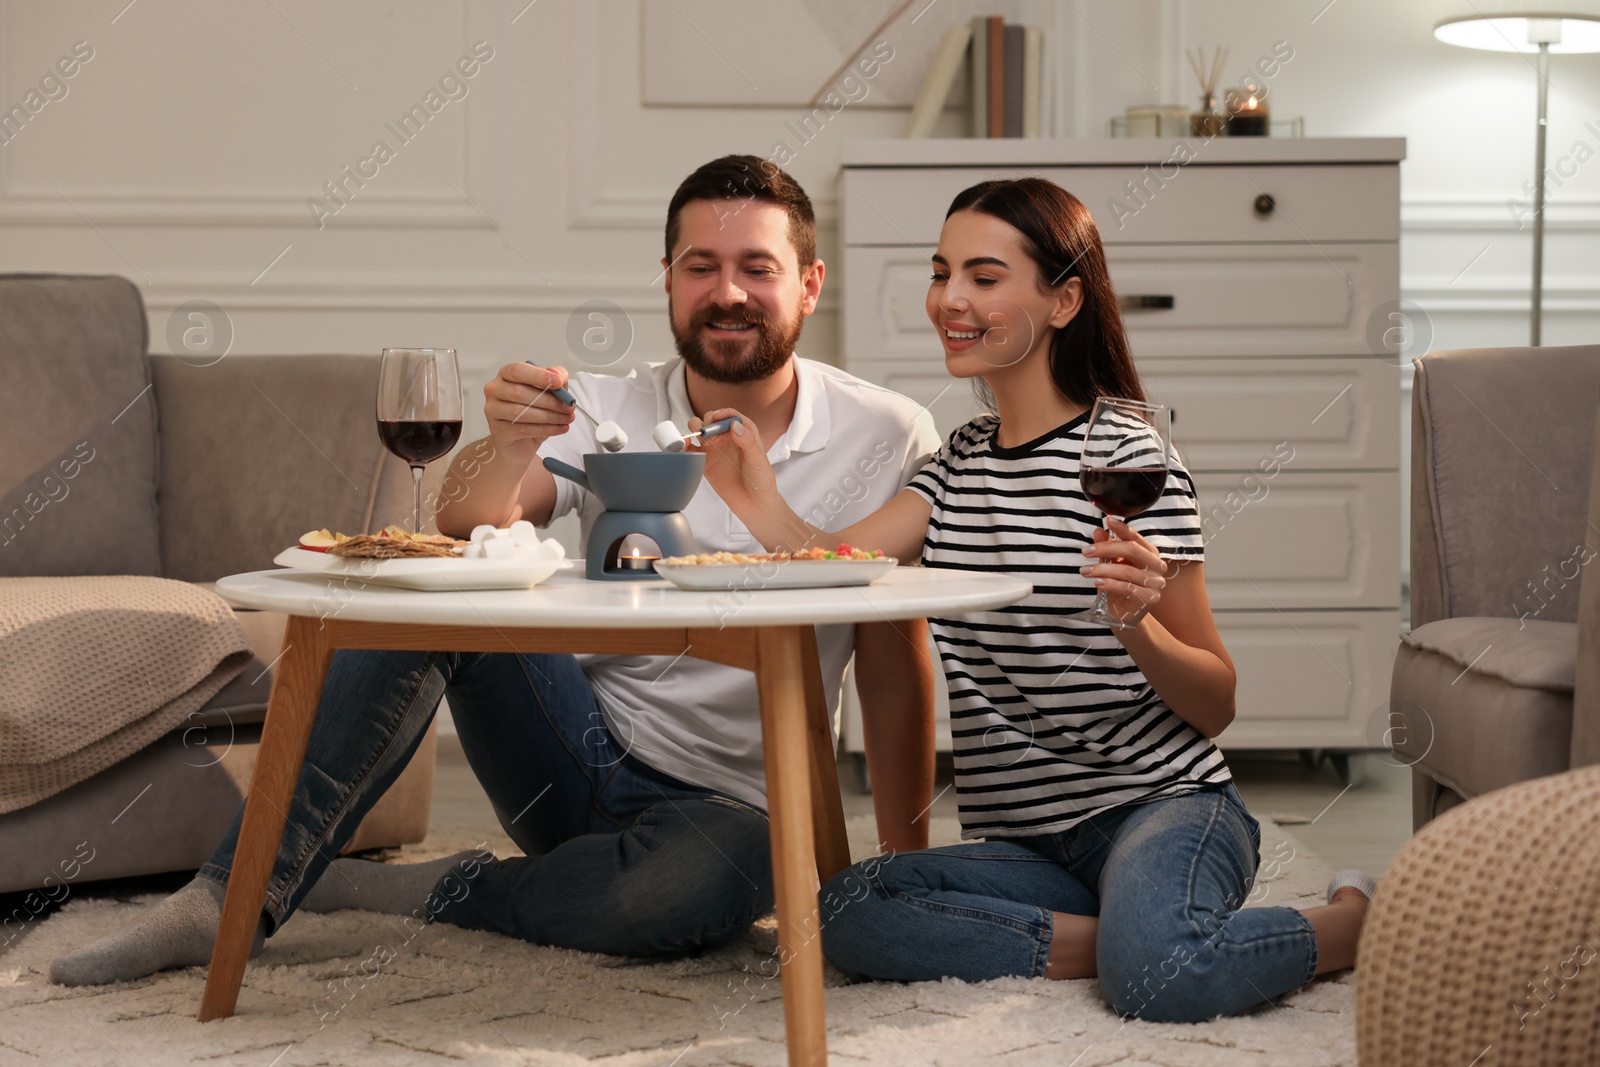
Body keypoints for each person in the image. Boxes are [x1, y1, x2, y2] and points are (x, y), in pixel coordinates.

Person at [48, 155, 940, 986]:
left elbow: (896, 650)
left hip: (731, 804)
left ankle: (436, 890)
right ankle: (225, 897)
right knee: (423, 594)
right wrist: (508, 446)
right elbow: (467, 520)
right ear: (666, 278)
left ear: (810, 284)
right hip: (570, 749)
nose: (727, 292)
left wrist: (901, 866)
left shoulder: (886, 432)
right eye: (700, 265)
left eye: (757, 266)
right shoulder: (604, 402)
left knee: (703, 886)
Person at [687, 176, 1376, 1023]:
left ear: (1064, 300)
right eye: (943, 274)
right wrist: (755, 497)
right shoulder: (952, 468)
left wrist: (1138, 628)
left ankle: (1347, 921)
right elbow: (837, 563)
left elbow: (1217, 700)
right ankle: (1121, 937)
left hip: (1163, 807)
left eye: (984, 277)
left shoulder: (1129, 457)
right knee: (839, 909)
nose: (950, 300)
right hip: (1028, 845)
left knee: (1163, 979)